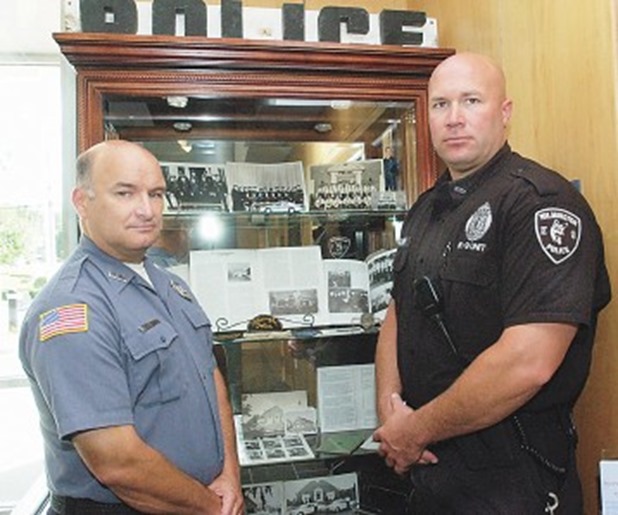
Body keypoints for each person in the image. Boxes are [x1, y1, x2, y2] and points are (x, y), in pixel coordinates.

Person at [372, 52, 611, 514]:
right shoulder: (427, 208)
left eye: (472, 101)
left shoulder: (539, 204)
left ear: (504, 113)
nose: (454, 118)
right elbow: (398, 313)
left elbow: (528, 361)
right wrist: (391, 411)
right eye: (440, 105)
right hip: (430, 472)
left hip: (513, 478)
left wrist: (414, 430)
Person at [19, 140, 244, 515]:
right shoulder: (73, 307)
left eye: (156, 194)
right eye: (125, 193)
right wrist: (210, 507)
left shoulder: (170, 284)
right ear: (81, 202)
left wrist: (229, 474)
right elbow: (117, 463)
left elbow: (210, 376)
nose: (147, 210)